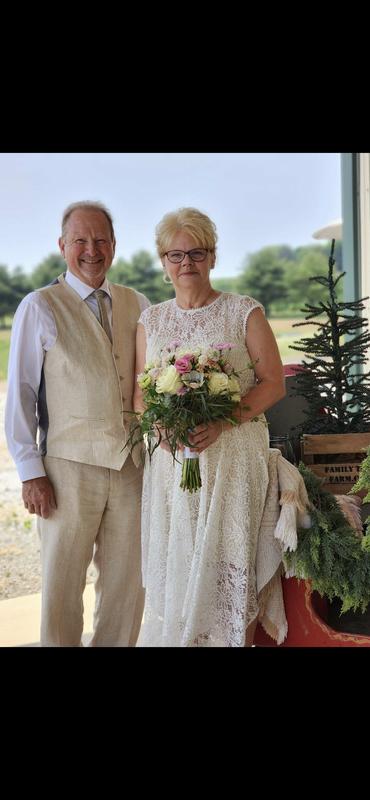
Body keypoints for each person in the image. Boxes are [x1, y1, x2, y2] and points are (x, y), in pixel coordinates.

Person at [133, 207, 286, 647]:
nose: (187, 264)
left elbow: (272, 383)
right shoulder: (152, 321)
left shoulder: (243, 312)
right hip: (172, 465)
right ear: (163, 262)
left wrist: (223, 421)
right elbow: (142, 395)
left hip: (234, 461)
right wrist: (161, 430)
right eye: (176, 255)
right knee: (182, 567)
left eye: (196, 253)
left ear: (213, 257)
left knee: (230, 569)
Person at [5, 201, 150, 647]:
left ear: (114, 246)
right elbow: (21, 395)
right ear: (62, 246)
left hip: (132, 467)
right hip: (66, 469)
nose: (92, 250)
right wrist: (31, 473)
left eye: (101, 240)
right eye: (81, 240)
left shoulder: (139, 303)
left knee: (128, 589)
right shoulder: (39, 306)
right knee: (62, 588)